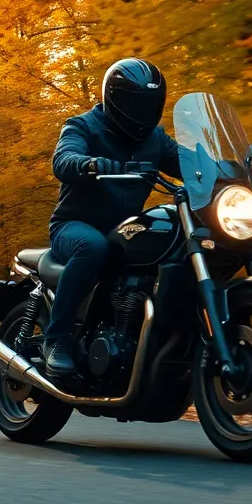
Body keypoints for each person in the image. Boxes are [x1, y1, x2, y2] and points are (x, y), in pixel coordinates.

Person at [44, 58, 183, 374]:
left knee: (175, 243)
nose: (144, 113)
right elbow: (63, 159)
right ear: (115, 99)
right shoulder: (82, 126)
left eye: (151, 105)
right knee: (93, 247)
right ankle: (57, 340)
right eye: (136, 104)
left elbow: (188, 162)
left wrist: (229, 168)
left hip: (124, 229)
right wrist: (87, 163)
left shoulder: (155, 138)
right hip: (74, 226)